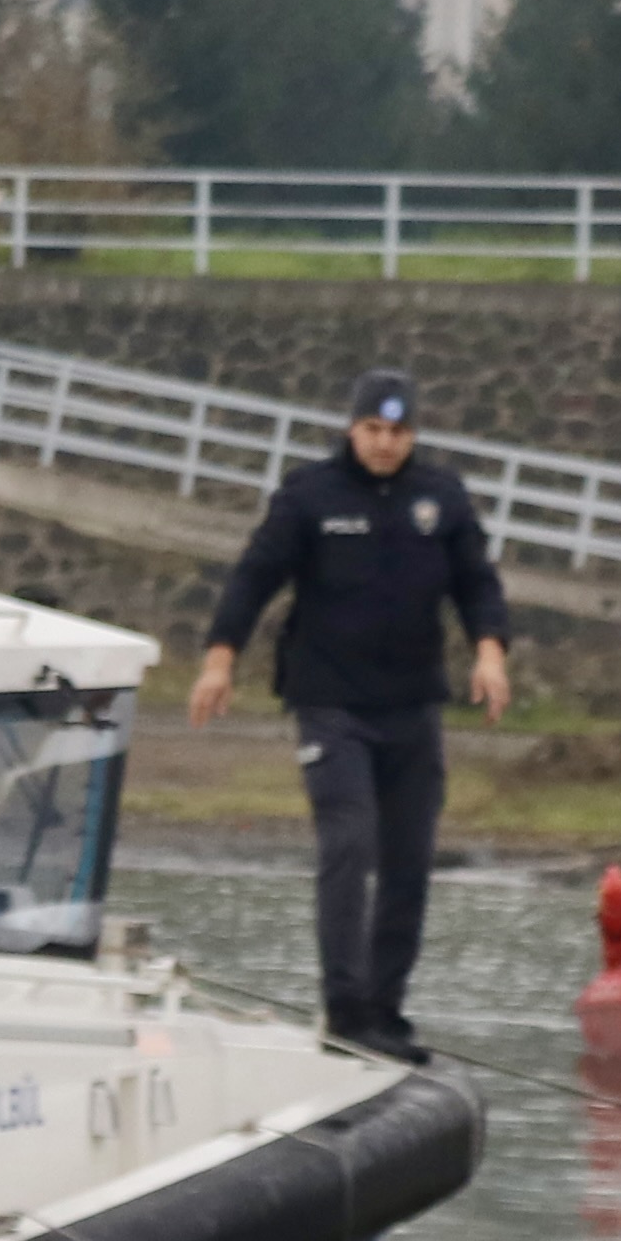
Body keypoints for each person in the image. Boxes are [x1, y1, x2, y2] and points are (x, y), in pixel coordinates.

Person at [186, 366, 512, 1062]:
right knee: (350, 843)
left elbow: (477, 583)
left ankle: (385, 1011)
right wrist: (220, 660)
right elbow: (254, 576)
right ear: (351, 428)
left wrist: (490, 654)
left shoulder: (441, 497)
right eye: (373, 429)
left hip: (412, 705)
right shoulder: (311, 495)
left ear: (413, 434)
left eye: (398, 431)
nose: (385, 443)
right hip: (331, 703)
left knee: (409, 860)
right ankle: (345, 1009)